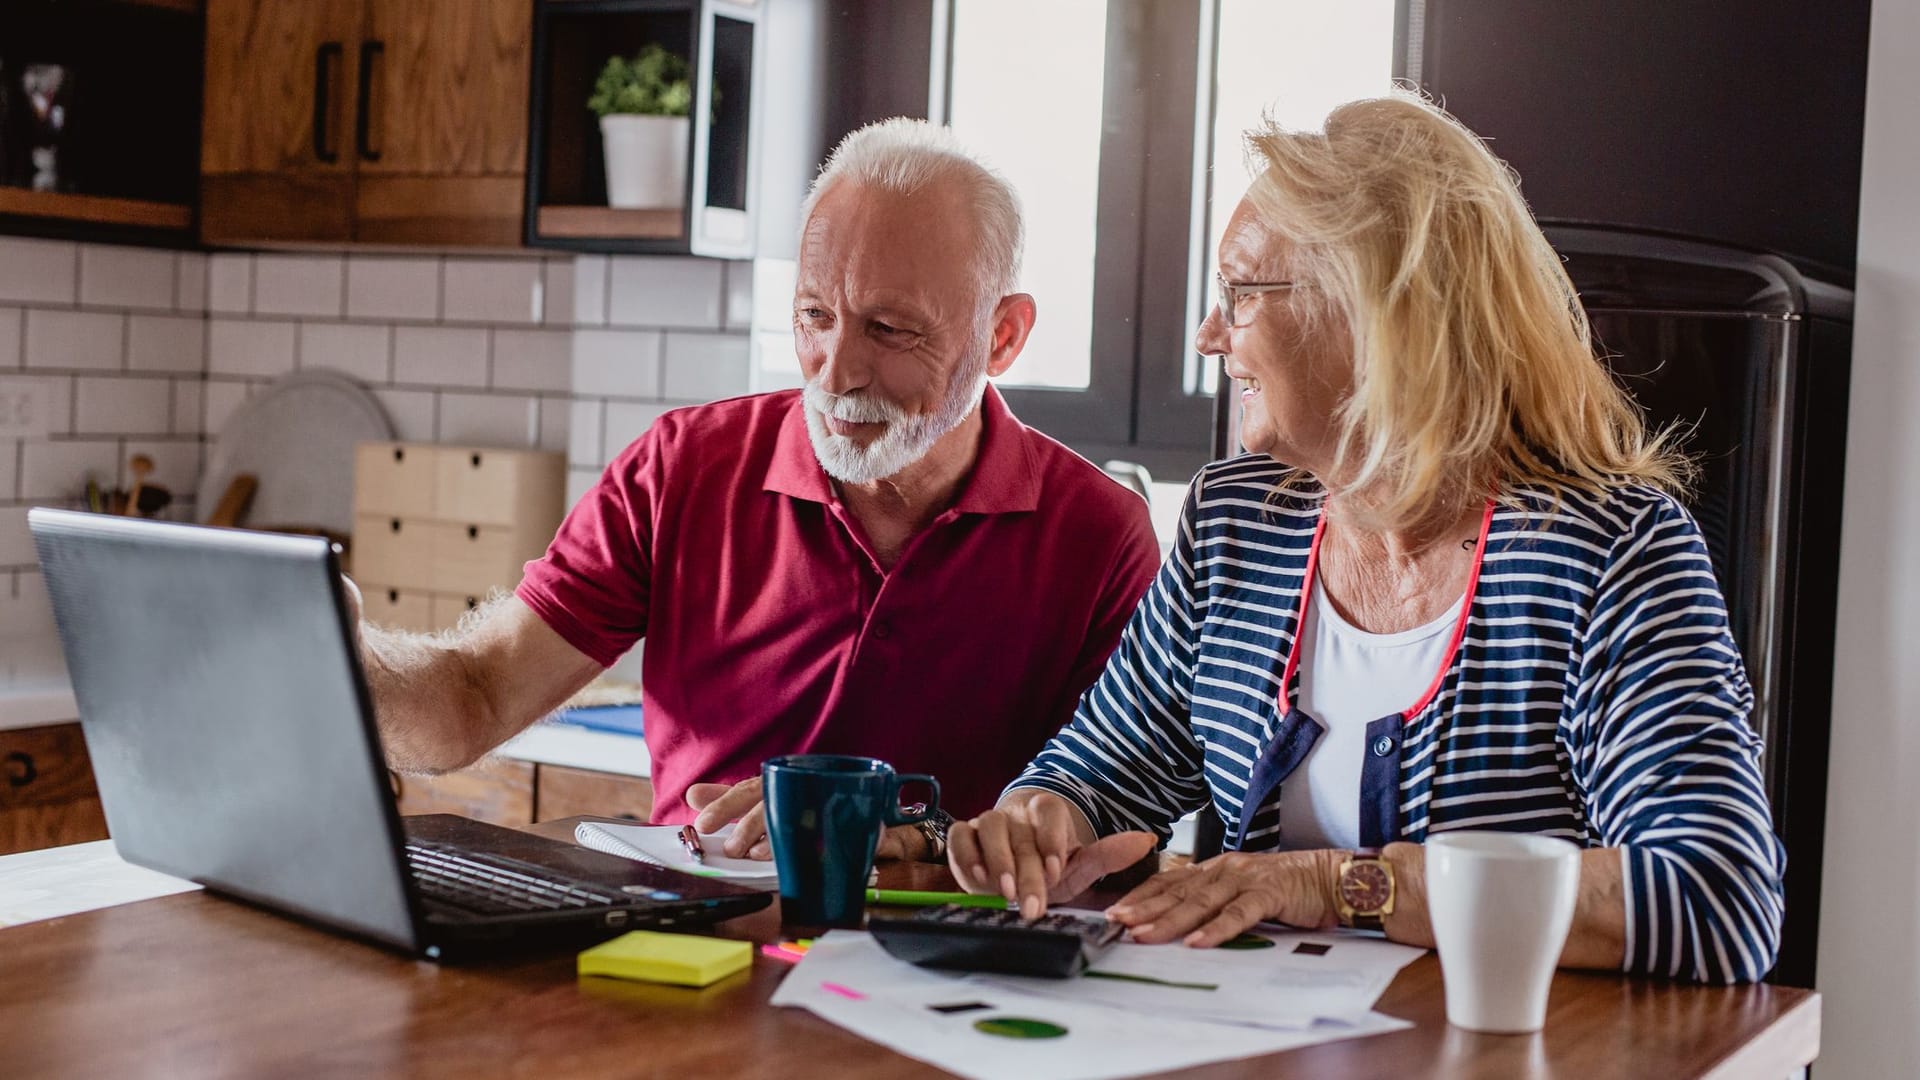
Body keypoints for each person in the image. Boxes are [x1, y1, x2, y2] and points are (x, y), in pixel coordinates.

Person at [949, 94, 1786, 984]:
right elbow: (1103, 772)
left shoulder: (1609, 551)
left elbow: (1717, 895)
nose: (1207, 335)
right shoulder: (1237, 523)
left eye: (1240, 293)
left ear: (1374, 312)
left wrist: (1342, 886)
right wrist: (1041, 816)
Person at [356, 118, 1161, 863]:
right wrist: (336, 659)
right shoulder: (681, 468)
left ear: (1004, 335)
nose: (837, 373)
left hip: (943, 972)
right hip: (689, 952)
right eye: (814, 316)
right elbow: (478, 693)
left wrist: (915, 833)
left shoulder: (1101, 532)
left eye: (890, 330)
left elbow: (1120, 821)